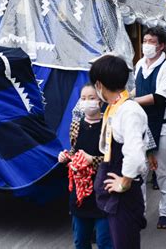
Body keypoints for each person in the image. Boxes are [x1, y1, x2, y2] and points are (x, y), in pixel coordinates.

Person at [89, 55, 148, 249]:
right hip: (115, 190)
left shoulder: (128, 110)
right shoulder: (116, 107)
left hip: (123, 194)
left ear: (99, 84)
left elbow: (135, 152)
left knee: (125, 244)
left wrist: (125, 181)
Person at [134, 27, 166, 229]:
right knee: (139, 171)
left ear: (161, 45)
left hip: (163, 127)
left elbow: (161, 97)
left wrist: (132, 102)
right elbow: (138, 87)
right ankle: (139, 212)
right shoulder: (139, 64)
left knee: (163, 172)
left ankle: (164, 213)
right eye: (145, 40)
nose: (146, 44)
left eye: (151, 41)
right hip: (140, 125)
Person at [58, 84, 113, 249]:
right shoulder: (75, 125)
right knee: (81, 241)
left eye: (92, 98)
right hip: (81, 193)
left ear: (101, 101)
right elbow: (75, 152)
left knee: (105, 242)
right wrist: (65, 157)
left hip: (104, 191)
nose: (87, 102)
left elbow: (114, 159)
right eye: (83, 98)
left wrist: (93, 160)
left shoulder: (108, 125)